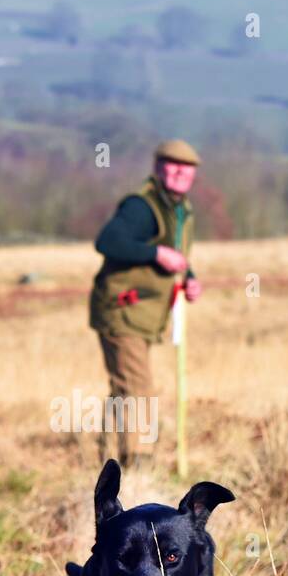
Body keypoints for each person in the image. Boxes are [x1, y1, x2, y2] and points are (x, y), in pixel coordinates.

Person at [88, 139, 203, 469]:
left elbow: (175, 254)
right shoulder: (142, 207)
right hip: (122, 310)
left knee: (126, 388)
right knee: (137, 389)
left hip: (143, 313)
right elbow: (108, 241)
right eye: (173, 165)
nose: (181, 172)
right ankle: (137, 466)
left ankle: (109, 460)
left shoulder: (179, 210)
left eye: (187, 168)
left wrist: (189, 277)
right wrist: (155, 254)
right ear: (157, 168)